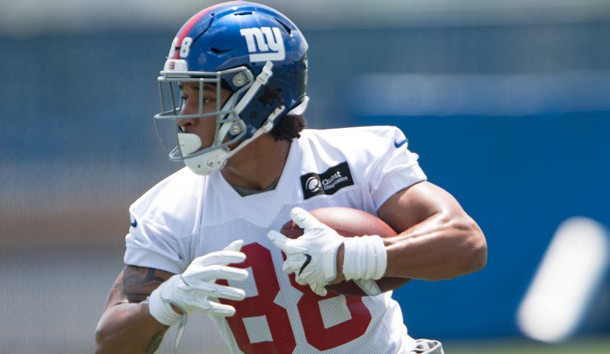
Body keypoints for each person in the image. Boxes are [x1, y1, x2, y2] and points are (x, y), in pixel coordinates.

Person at [95, 1, 487, 353]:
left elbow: (466, 242)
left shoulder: (358, 157)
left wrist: (353, 257)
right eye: (183, 95)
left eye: (206, 96)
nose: (186, 114)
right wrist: (168, 301)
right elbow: (109, 342)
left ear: (264, 95)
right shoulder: (170, 208)